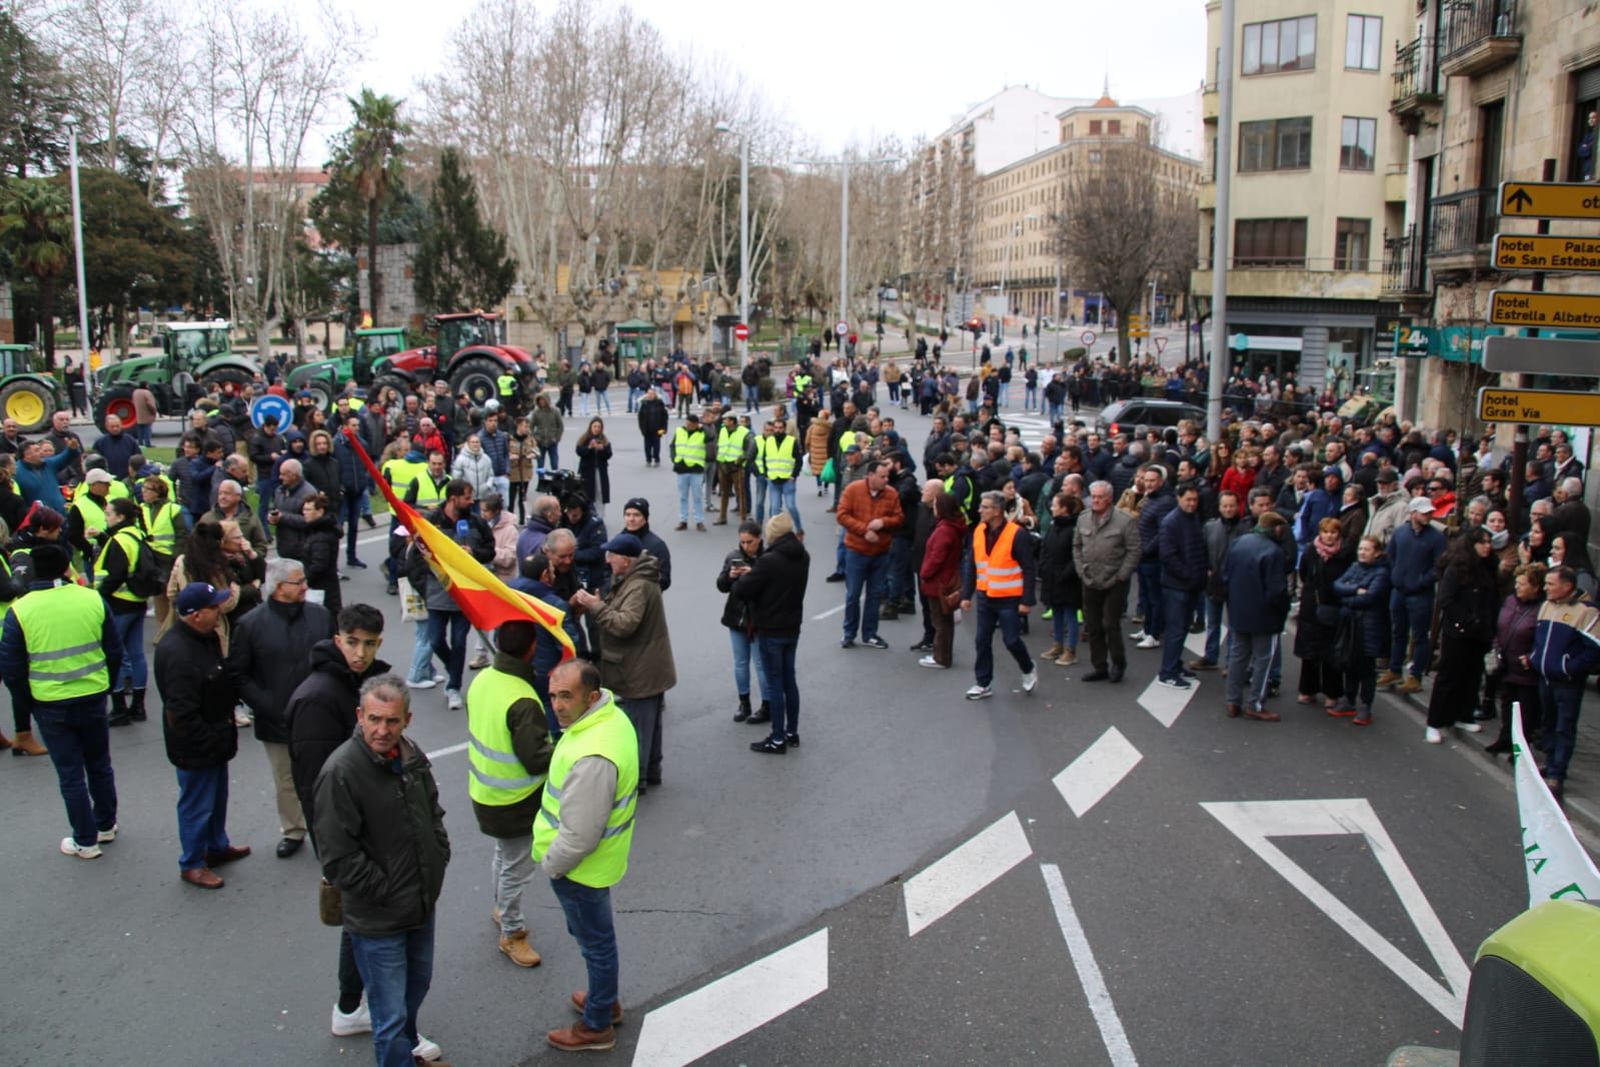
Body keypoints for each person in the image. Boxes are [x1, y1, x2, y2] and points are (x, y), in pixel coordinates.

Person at [313, 676, 452, 1067]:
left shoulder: (409, 754)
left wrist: (438, 854)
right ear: (359, 716)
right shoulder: (340, 772)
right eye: (374, 719)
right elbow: (339, 858)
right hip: (380, 917)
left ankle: (409, 1053)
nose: (381, 730)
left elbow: (432, 811)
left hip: (420, 905)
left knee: (415, 988)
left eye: (391, 721)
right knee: (388, 1016)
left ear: (406, 720)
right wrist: (389, 891)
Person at [286, 605, 400, 1045]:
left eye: (369, 643)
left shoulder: (360, 685)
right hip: (349, 837)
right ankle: (354, 1005)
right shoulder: (319, 697)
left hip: (368, 827)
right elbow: (320, 788)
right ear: (337, 640)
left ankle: (353, 1003)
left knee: (363, 921)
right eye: (352, 642)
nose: (361, 652)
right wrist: (340, 853)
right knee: (364, 921)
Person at [534, 659, 639, 1053]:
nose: (557, 705)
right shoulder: (609, 720)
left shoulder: (594, 754)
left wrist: (552, 865)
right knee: (597, 940)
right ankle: (603, 999)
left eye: (566, 696)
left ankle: (597, 1024)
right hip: (595, 865)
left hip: (580, 870)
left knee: (595, 944)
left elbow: (580, 836)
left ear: (591, 697)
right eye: (553, 696)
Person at [0, 543, 124, 859]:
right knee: (100, 763)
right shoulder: (91, 598)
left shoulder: (21, 610)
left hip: (50, 702)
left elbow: (12, 669)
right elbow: (113, 649)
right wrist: (106, 684)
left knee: (70, 774)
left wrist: (27, 703)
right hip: (93, 694)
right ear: (67, 568)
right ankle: (106, 824)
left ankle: (85, 840)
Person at [226, 557, 332, 859]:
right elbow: (239, 673)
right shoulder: (250, 625)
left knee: (324, 776)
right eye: (298, 582)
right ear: (278, 587)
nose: (305, 586)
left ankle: (328, 830)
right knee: (286, 780)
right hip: (276, 719)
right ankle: (294, 829)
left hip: (319, 716)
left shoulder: (321, 616)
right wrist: (265, 705)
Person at [466, 619, 555, 969]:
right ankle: (513, 932)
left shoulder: (483, 679)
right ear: (531, 648)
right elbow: (535, 759)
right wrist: (563, 748)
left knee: (503, 857)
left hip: (485, 791)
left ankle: (501, 909)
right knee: (517, 867)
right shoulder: (522, 698)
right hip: (516, 800)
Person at [155, 582, 249, 889]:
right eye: (213, 607)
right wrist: (210, 740)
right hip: (196, 746)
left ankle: (216, 846)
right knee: (197, 803)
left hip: (215, 738)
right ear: (195, 615)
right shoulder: (178, 653)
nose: (219, 609)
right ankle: (193, 862)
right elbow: (181, 713)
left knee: (216, 798)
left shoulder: (203, 637)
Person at [568, 533, 674, 793]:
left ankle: (636, 780)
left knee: (637, 728)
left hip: (640, 669)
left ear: (626, 560)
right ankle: (650, 771)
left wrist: (597, 607)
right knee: (649, 725)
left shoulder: (637, 586)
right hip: (645, 666)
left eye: (612, 555)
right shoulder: (635, 579)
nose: (608, 559)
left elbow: (626, 624)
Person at [406, 478, 494, 709]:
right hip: (437, 593)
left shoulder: (476, 523)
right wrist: (426, 582)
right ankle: (453, 669)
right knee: (435, 640)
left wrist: (473, 553)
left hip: (464, 595)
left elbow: (490, 550)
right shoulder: (431, 523)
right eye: (467, 497)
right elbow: (416, 555)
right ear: (453, 498)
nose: (472, 501)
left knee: (459, 640)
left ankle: (453, 685)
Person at [734, 512, 809, 752]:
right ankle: (791, 731)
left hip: (771, 627)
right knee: (790, 681)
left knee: (775, 684)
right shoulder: (803, 556)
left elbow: (743, 590)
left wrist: (742, 577)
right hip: (792, 625)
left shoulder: (770, 560)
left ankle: (777, 738)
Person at [1528, 565, 1600, 802]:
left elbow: (1593, 651)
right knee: (1548, 723)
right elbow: (1539, 639)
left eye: (1550, 584)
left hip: (1567, 682)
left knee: (1564, 727)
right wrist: (1534, 658)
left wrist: (1568, 668)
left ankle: (1558, 774)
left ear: (1567, 586)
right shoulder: (1547, 605)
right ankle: (1549, 763)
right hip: (1545, 678)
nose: (1545, 588)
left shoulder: (1586, 612)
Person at [957, 490, 1038, 700]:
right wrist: (966, 595)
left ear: (997, 511)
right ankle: (983, 683)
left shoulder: (1017, 534)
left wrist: (1027, 600)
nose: (979, 510)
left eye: (984, 507)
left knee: (1011, 641)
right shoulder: (978, 531)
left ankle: (1028, 668)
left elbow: (1029, 568)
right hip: (985, 597)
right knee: (981, 640)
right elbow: (972, 566)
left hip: (1009, 598)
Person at [1223, 511, 1292, 721]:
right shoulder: (1274, 551)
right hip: (1265, 616)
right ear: (1275, 528)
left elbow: (1227, 574)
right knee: (1263, 660)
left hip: (1238, 610)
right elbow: (1276, 591)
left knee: (1237, 657)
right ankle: (1256, 704)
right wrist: (1283, 611)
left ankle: (1233, 700)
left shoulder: (1239, 542)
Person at [1074, 480, 1141, 683]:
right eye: (1093, 497)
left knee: (1110, 624)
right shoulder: (1083, 518)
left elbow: (1134, 549)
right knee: (1093, 625)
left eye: (1100, 497)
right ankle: (1099, 666)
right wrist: (1080, 570)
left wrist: (1122, 575)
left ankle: (1118, 663)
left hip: (1114, 581)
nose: (1095, 500)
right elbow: (1076, 546)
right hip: (1089, 579)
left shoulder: (1124, 520)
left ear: (1109, 498)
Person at [94, 498, 153, 726]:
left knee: (114, 655)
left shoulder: (119, 540)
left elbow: (116, 574)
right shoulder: (136, 534)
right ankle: (138, 706)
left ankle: (119, 707)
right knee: (136, 654)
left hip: (118, 604)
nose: (106, 518)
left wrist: (99, 596)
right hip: (137, 602)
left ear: (119, 517)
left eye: (109, 514)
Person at [1379, 497, 1448, 694]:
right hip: (1399, 591)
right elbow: (1390, 556)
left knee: (1419, 636)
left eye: (1429, 512)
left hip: (1420, 594)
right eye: (1424, 512)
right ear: (1413, 513)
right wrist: (1396, 575)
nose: (1428, 515)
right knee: (1398, 632)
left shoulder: (1436, 537)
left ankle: (1415, 675)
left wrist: (1421, 582)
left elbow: (1439, 566)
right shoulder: (1401, 533)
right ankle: (1394, 670)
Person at [836, 458, 903, 650]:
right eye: (882, 476)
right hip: (856, 551)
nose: (886, 480)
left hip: (881, 553)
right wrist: (865, 530)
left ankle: (870, 634)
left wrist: (883, 523)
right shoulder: (853, 490)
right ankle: (848, 633)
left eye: (887, 476)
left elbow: (899, 518)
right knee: (853, 595)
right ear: (871, 475)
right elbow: (842, 515)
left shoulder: (891, 494)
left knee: (875, 595)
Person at [1293, 518, 1354, 709]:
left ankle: (1332, 692)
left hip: (1334, 605)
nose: (1329, 536)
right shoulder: (1312, 550)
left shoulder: (1346, 553)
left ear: (1339, 534)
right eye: (1326, 532)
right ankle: (1307, 689)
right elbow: (1303, 572)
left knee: (1332, 653)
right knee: (1310, 651)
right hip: (1312, 605)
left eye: (1333, 532)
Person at [1330, 535, 1391, 726]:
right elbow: (1337, 585)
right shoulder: (1356, 567)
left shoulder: (1382, 573)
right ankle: (1349, 699)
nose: (1362, 553)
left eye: (1367, 549)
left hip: (1369, 626)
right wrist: (1356, 589)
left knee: (1366, 668)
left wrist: (1347, 598)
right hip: (1350, 624)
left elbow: (1370, 598)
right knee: (1350, 663)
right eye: (1360, 549)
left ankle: (1365, 705)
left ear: (1377, 552)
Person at [1485, 563, 1545, 755]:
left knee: (1525, 711)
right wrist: (1496, 646)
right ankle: (1504, 739)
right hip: (1506, 665)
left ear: (1536, 587)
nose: (1517, 587)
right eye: (1516, 583)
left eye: (1522, 583)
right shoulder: (1510, 600)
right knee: (1506, 704)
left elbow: (1542, 640)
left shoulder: (1542, 609)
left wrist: (1530, 658)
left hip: (1525, 669)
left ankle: (1519, 748)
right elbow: (1500, 627)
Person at [1155, 484, 1207, 689]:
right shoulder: (1171, 522)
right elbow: (1168, 555)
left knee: (1183, 628)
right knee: (1176, 630)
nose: (1192, 503)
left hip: (1190, 584)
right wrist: (1188, 575)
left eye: (1195, 500)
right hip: (1177, 585)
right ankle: (1167, 672)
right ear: (1179, 498)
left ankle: (1175, 665)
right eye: (1189, 499)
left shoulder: (1192, 517)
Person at [716, 520, 769, 723]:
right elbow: (721, 585)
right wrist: (730, 576)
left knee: (760, 664)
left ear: (759, 539)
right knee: (740, 663)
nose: (745, 546)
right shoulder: (733, 557)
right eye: (742, 542)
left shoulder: (767, 558)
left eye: (750, 542)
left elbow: (772, 589)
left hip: (758, 620)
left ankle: (767, 705)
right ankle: (744, 703)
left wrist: (753, 575)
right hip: (736, 617)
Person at [918, 490, 968, 670]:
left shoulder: (944, 530)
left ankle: (941, 657)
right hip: (948, 578)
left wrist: (924, 573)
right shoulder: (954, 527)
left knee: (940, 621)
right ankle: (942, 654)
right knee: (945, 620)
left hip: (938, 582)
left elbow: (936, 558)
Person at [299, 492, 344, 618]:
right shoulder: (317, 530)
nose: (304, 512)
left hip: (322, 590)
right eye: (304, 509)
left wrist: (305, 580)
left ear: (320, 512)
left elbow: (319, 565)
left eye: (308, 509)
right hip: (327, 588)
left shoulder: (321, 537)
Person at [670, 411, 707, 531]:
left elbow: (712, 438)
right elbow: (673, 446)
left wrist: (704, 428)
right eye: (687, 423)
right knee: (683, 497)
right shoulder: (680, 431)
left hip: (696, 469)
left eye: (691, 424)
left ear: (697, 424)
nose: (688, 426)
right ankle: (683, 520)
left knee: (697, 497)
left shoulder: (702, 433)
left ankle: (699, 521)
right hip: (682, 468)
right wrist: (674, 459)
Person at [714, 412, 750, 525]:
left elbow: (749, 448)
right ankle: (722, 517)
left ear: (732, 421)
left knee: (740, 493)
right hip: (723, 465)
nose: (723, 421)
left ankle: (743, 518)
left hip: (736, 466)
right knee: (724, 493)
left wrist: (742, 458)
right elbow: (719, 445)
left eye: (726, 420)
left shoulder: (744, 432)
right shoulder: (723, 430)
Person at [576, 418, 613, 515]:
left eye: (599, 427)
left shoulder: (604, 440)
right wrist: (589, 447)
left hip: (600, 471)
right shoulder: (584, 439)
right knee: (587, 494)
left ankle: (600, 515)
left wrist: (602, 449)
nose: (596, 429)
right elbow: (579, 451)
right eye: (595, 426)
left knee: (600, 493)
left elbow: (609, 454)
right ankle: (588, 514)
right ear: (590, 427)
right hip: (587, 472)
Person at [531, 392, 564, 471]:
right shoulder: (536, 412)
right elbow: (531, 426)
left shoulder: (555, 411)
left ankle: (555, 480)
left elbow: (560, 426)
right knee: (540, 464)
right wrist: (533, 439)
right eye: (540, 400)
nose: (541, 402)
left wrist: (557, 438)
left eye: (543, 400)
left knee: (554, 463)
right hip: (540, 441)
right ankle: (541, 480)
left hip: (552, 441)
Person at [636, 388, 668, 467]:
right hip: (647, 429)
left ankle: (656, 458)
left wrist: (663, 429)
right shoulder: (644, 404)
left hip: (657, 429)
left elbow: (665, 417)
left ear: (655, 395)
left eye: (652, 394)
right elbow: (640, 418)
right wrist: (642, 429)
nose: (650, 395)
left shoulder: (660, 404)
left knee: (656, 445)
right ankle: (648, 459)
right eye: (649, 394)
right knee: (647, 446)